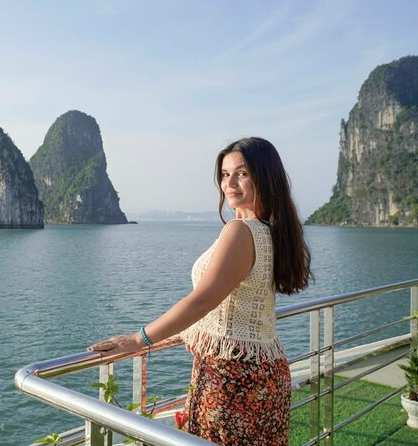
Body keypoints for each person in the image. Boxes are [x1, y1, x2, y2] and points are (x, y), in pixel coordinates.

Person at [89, 137, 312, 445]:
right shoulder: (273, 231)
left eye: (242, 173)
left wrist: (138, 339)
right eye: (224, 174)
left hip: (232, 378)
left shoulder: (241, 231)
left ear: (265, 176)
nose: (229, 183)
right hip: (265, 372)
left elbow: (204, 300)